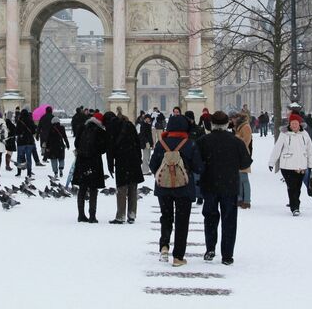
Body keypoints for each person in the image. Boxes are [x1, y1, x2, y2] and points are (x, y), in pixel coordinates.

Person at [197, 111, 253, 265]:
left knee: (210, 217)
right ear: (227, 124)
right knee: (229, 220)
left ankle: (210, 248)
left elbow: (196, 163)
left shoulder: (203, 141)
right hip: (229, 185)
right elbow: (245, 163)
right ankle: (227, 254)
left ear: (212, 124)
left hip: (209, 184)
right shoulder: (235, 142)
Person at [149, 115, 203, 267]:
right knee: (182, 221)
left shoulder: (161, 144)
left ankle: (164, 245)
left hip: (163, 188)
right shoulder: (190, 144)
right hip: (184, 188)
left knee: (166, 217)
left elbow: (153, 165)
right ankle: (178, 256)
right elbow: (199, 167)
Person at [268, 113, 312, 216]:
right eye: (292, 123)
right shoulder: (284, 134)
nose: (294, 125)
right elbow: (277, 148)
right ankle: (294, 207)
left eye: (296, 123)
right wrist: (272, 162)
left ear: (299, 124)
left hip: (301, 165)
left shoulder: (304, 134)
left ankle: (296, 204)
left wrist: (310, 165)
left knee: (298, 187)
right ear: (289, 124)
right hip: (287, 166)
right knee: (292, 186)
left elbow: (310, 150)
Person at [72, 111, 108, 223]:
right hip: (94, 162)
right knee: (93, 189)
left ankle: (81, 215)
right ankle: (92, 216)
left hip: (82, 161)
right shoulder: (100, 132)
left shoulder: (82, 128)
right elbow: (103, 149)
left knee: (82, 189)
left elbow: (76, 144)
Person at [108, 114, 143, 224]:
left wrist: (110, 164)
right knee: (133, 187)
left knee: (122, 189)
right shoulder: (131, 126)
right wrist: (139, 158)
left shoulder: (113, 127)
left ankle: (120, 215)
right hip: (133, 160)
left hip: (121, 160)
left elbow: (110, 147)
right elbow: (138, 143)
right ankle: (132, 214)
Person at [233, 113, 253, 209]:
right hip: (238, 154)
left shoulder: (245, 127)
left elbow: (246, 140)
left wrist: (236, 138)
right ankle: (240, 199)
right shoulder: (239, 127)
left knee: (244, 178)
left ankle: (246, 200)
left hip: (243, 154)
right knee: (239, 178)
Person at [15, 109, 37, 178]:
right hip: (29, 142)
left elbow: (16, 132)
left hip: (21, 142)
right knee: (29, 158)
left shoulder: (19, 121)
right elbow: (33, 131)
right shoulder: (30, 121)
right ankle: (29, 172)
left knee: (19, 157)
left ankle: (19, 172)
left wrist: (21, 133)